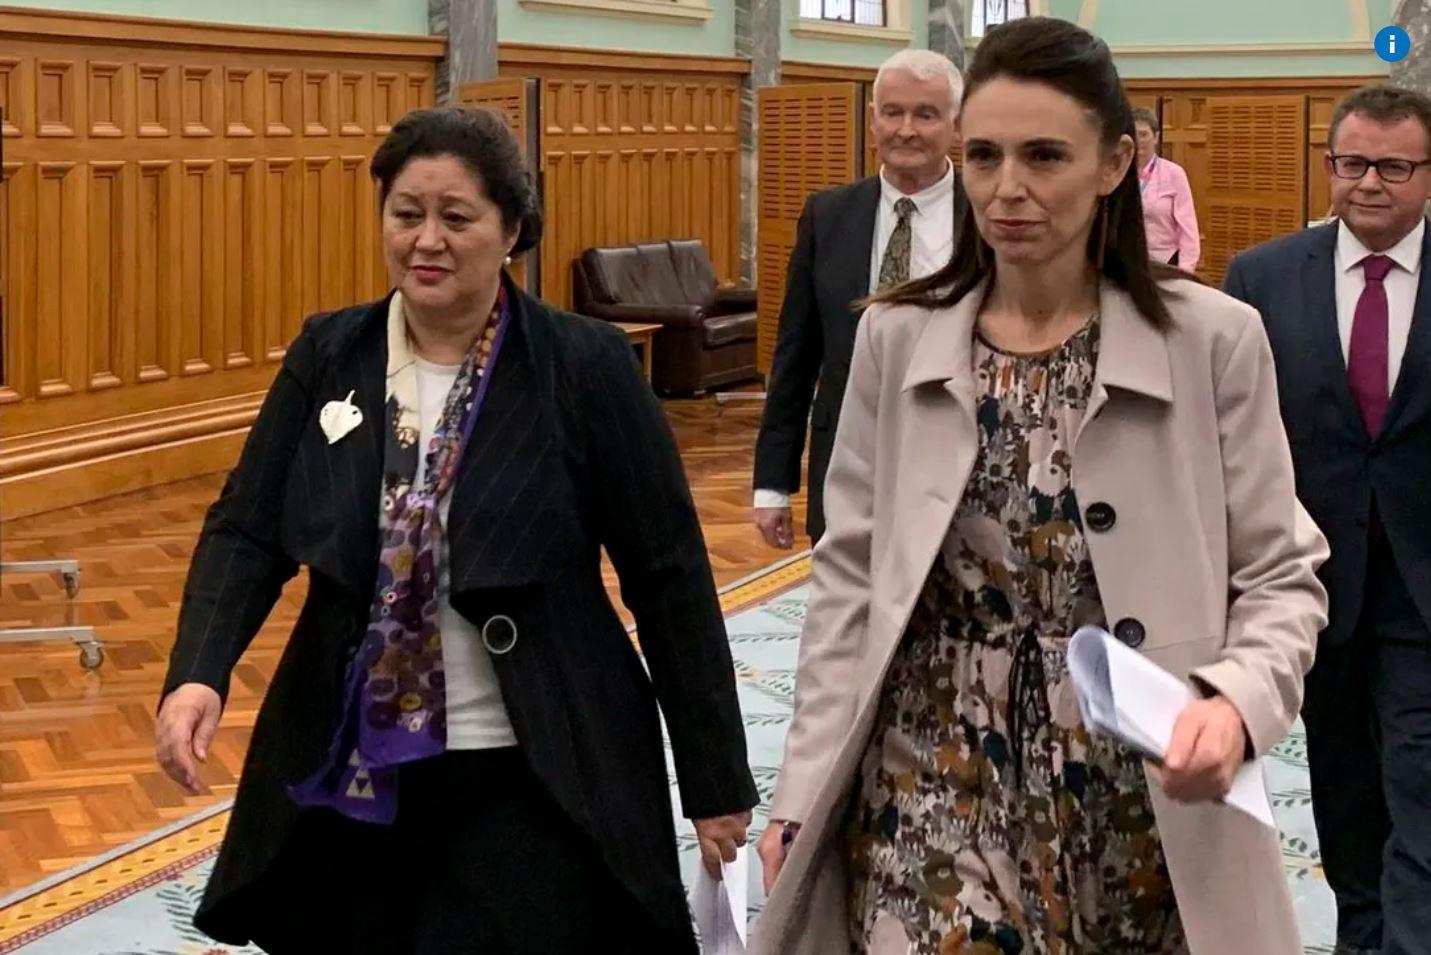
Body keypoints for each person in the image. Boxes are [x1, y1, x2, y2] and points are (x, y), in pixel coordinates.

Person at [753, 18, 1329, 955]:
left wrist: (1233, 703)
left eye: (1043, 155)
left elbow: (1279, 572)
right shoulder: (894, 338)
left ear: (1114, 164)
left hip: (1133, 789)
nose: (1005, 187)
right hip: (929, 772)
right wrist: (799, 792)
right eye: (981, 155)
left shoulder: (1213, 341)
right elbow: (848, 587)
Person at [153, 107, 757, 955]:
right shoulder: (331, 353)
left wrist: (713, 775)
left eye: (456, 217)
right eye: (406, 214)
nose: (425, 240)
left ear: (511, 229)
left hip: (532, 759)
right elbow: (246, 528)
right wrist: (198, 672)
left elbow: (668, 576)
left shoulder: (584, 366)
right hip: (351, 754)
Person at [1223, 84, 1431, 955]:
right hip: (1315, 591)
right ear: (1329, 166)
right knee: (1345, 797)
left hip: (1424, 588)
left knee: (1419, 788)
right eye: (1353, 163)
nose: (1370, 183)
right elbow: (1230, 436)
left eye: (1394, 166)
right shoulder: (1261, 279)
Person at [752, 48, 967, 549]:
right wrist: (773, 482)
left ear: (957, 127)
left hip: (957, 461)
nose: (906, 129)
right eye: (893, 112)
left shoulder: (986, 220)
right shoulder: (827, 216)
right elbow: (795, 354)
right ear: (873, 121)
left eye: (926, 114)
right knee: (844, 617)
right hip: (846, 460)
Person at [1133, 106, 1200, 271]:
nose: (1138, 140)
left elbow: (1188, 227)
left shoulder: (1173, 173)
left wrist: (1186, 269)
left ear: (1156, 137)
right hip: (1129, 260)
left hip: (1165, 261)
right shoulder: (1118, 172)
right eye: (1133, 135)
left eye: (1143, 134)